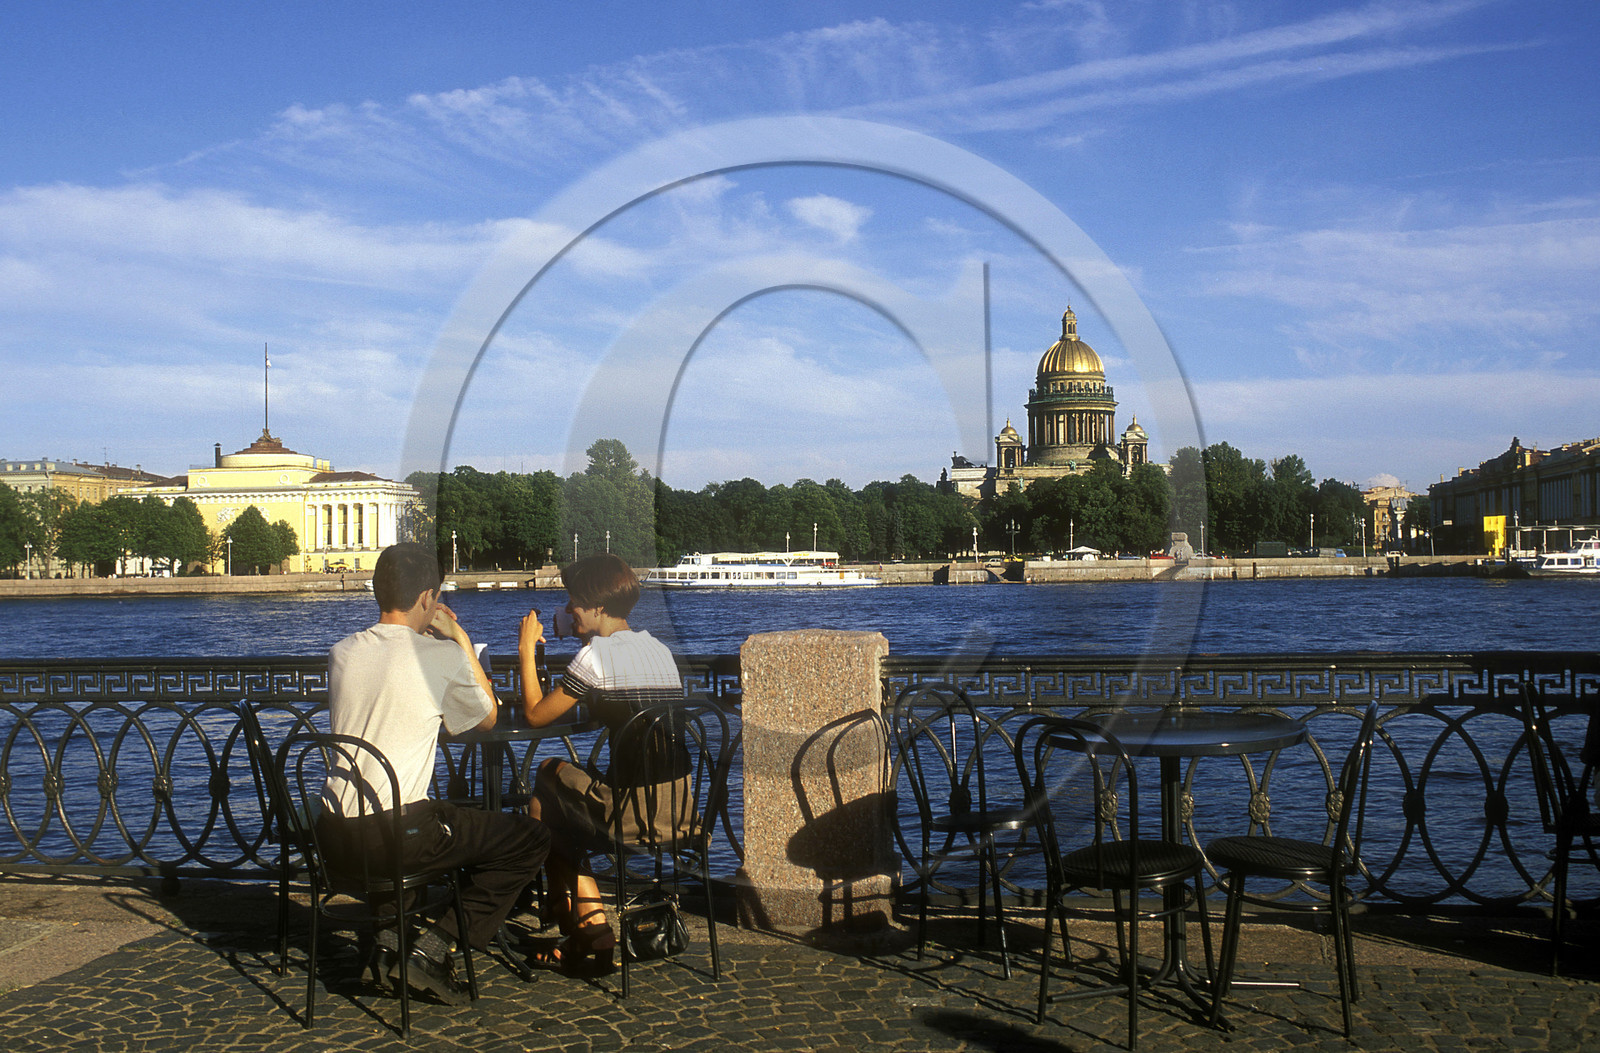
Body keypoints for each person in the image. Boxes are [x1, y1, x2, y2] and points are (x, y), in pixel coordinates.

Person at [320, 542, 551, 1003]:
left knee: (420, 814)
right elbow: (486, 719)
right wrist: (458, 638)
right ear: (428, 597)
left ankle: (388, 941)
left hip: (335, 837)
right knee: (529, 839)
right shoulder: (437, 656)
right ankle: (435, 945)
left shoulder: (341, 652)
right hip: (396, 837)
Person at [518, 553, 688, 971]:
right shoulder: (660, 650)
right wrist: (583, 637)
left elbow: (536, 715)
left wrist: (525, 649)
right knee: (554, 810)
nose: (569, 608)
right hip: (681, 809)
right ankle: (580, 925)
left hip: (632, 815)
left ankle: (575, 918)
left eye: (574, 601)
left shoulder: (594, 658)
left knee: (545, 777)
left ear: (597, 606)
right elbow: (610, 695)